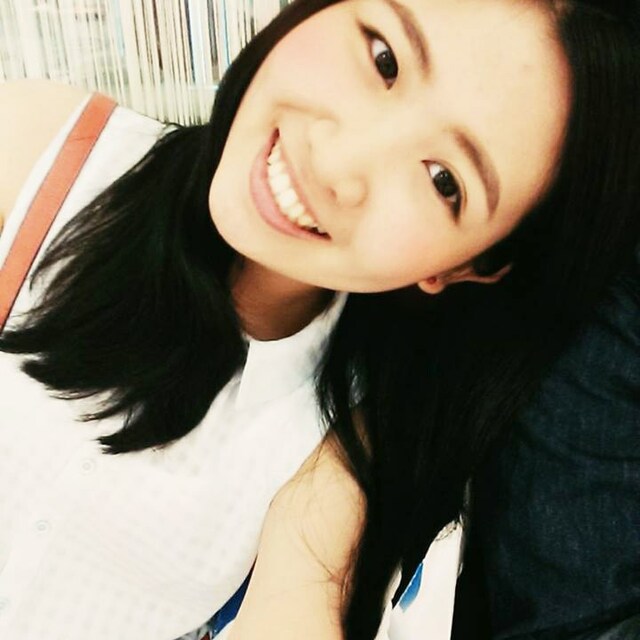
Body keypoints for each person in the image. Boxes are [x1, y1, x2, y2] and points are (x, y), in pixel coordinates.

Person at [0, 1, 638, 639]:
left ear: (467, 266)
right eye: (384, 59)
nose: (336, 163)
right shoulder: (39, 158)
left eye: (444, 180)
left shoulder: (354, 446)